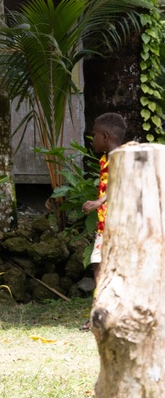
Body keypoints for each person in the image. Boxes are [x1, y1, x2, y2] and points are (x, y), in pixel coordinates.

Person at [81, 112, 127, 289]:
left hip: (119, 223)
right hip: (105, 223)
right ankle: (103, 310)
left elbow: (121, 183)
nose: (92, 139)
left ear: (105, 136)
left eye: (94, 135)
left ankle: (107, 310)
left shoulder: (122, 157)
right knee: (98, 263)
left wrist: (99, 201)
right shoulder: (105, 158)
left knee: (103, 264)